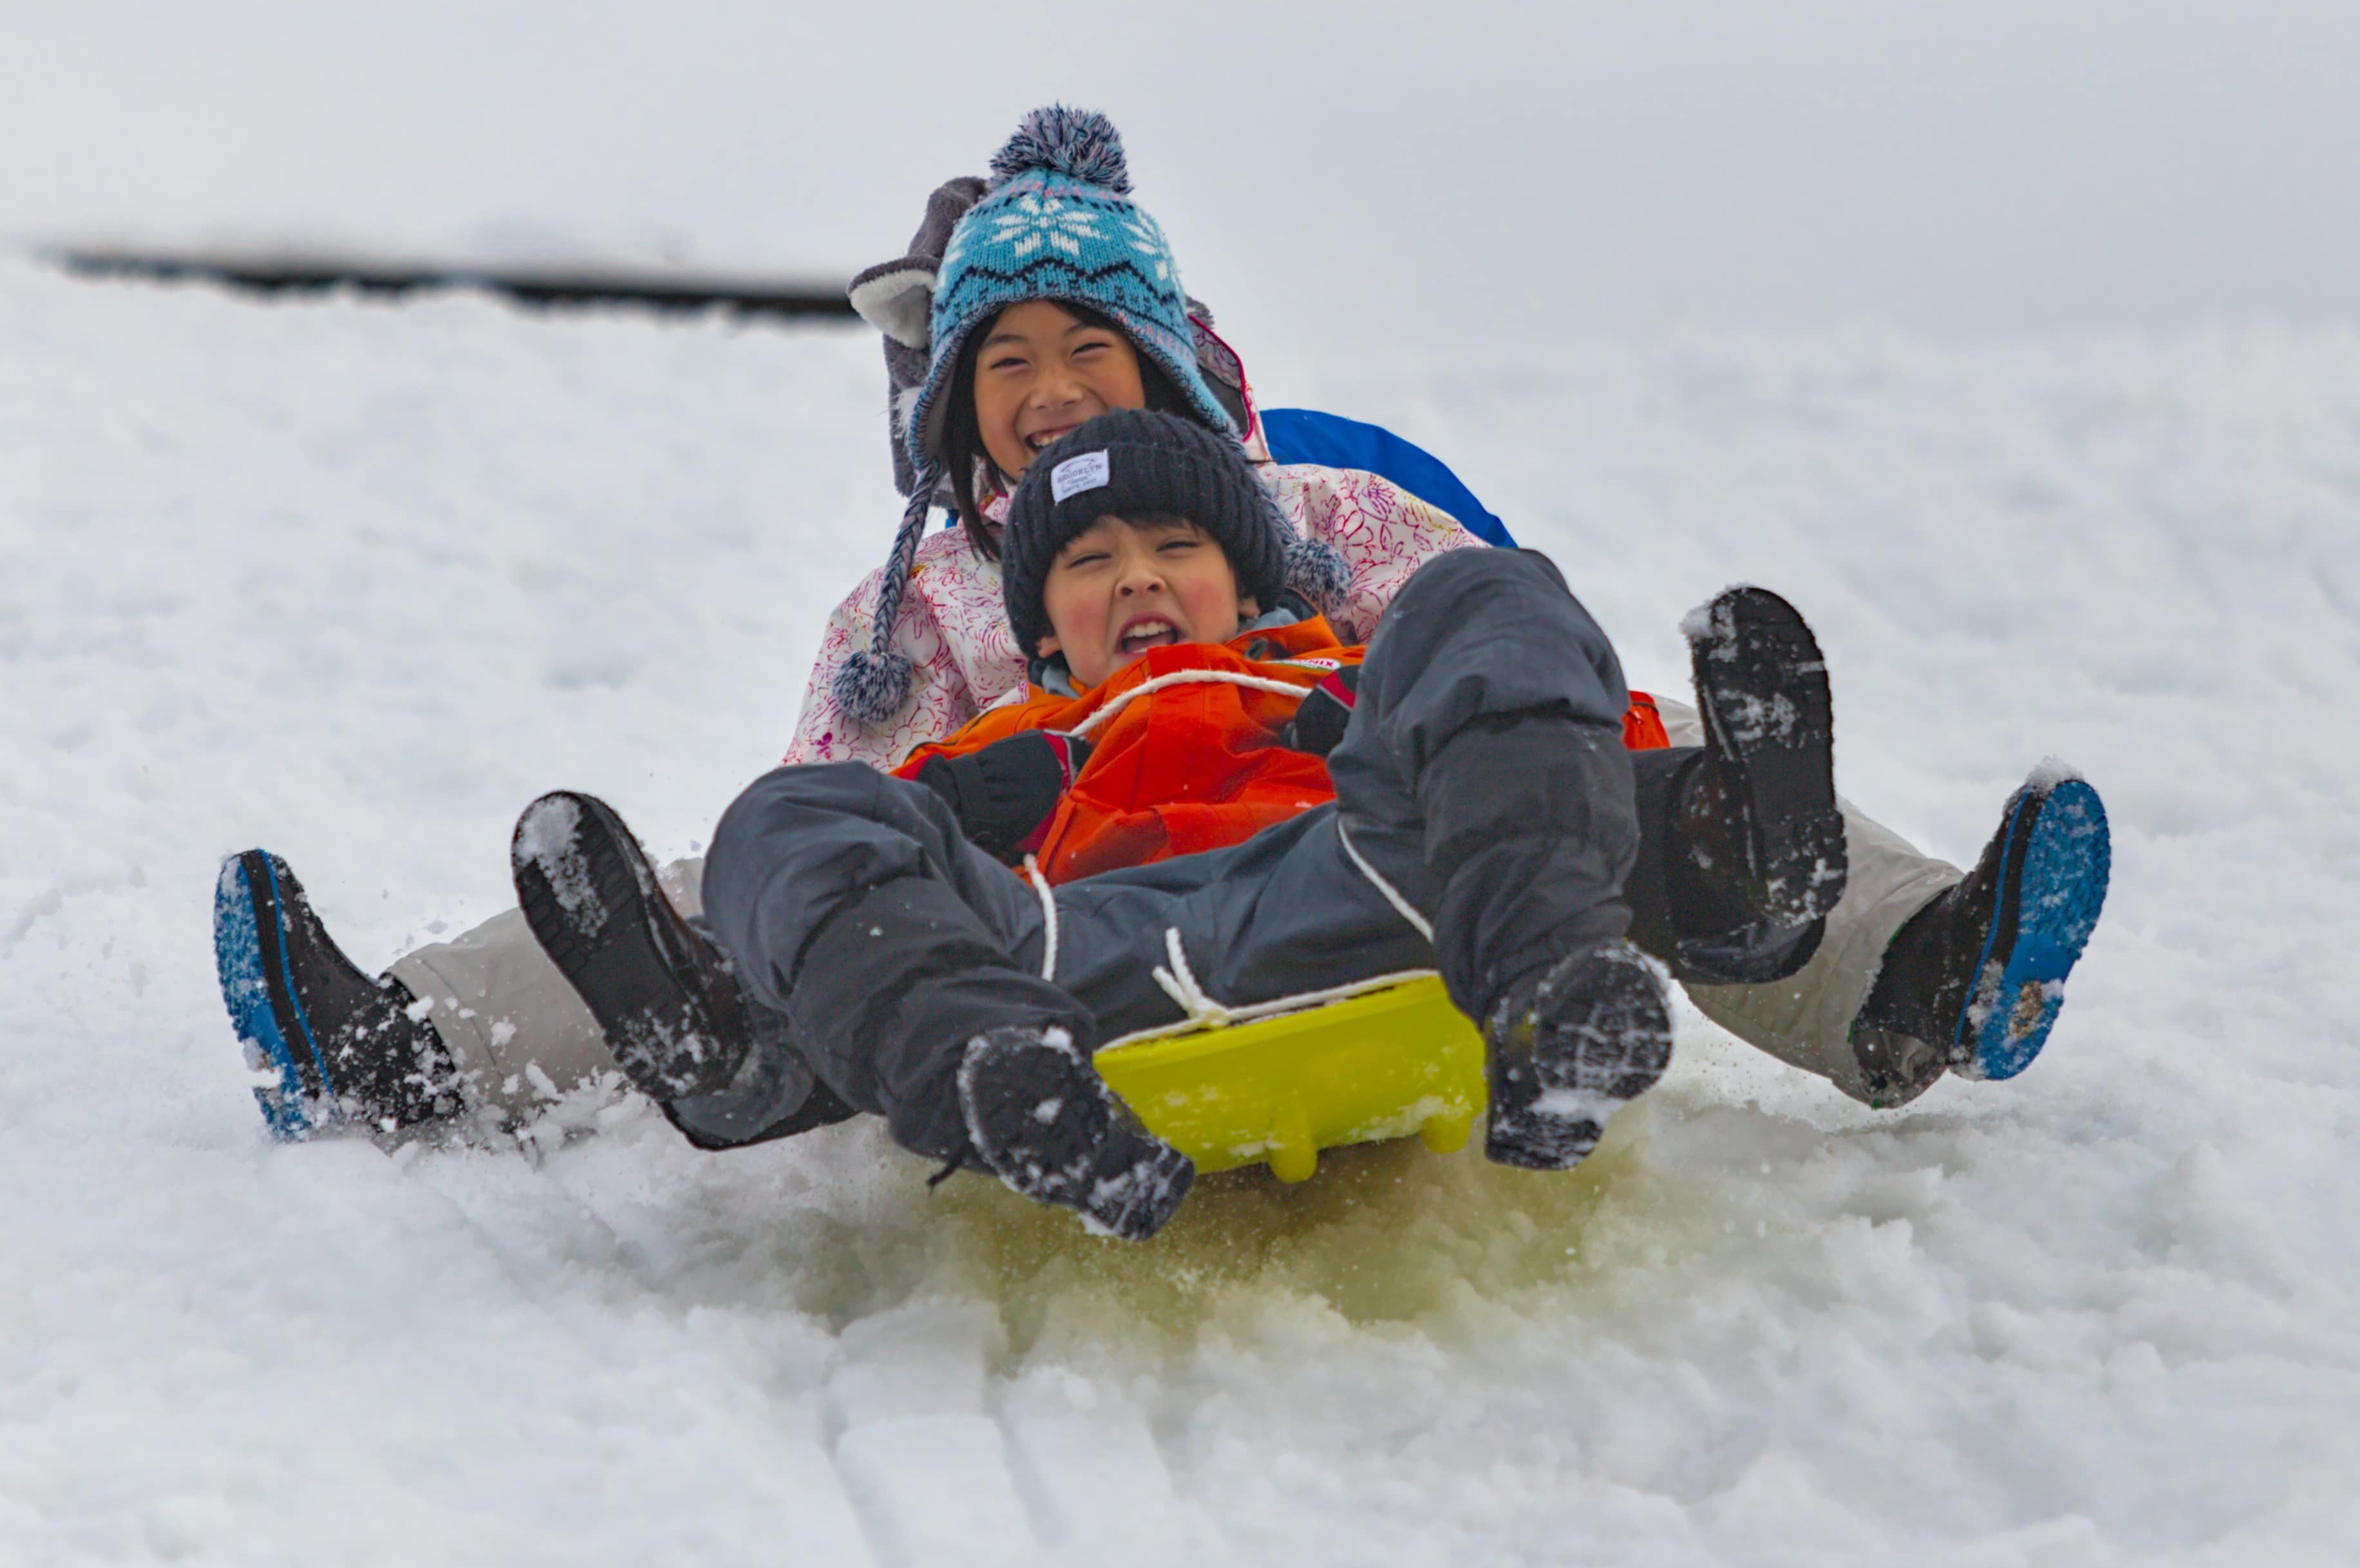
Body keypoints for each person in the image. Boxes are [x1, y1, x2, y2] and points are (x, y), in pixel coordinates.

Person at [213, 102, 2096, 1148]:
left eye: (1083, 351)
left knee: (1643, 770)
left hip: (1380, 858)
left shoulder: (1328, 508)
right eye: (998, 366)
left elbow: (1521, 693)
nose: (1043, 391)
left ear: (1169, 364)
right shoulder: (928, 605)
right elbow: (837, 816)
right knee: (742, 868)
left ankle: (1904, 967)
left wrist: (1617, 798)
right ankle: (421, 1055)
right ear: (947, 411)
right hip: (1071, 903)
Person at [509, 410, 2110, 1238]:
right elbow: (851, 860)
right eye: (1088, 564)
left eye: (1173, 545)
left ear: (1248, 574)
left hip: (1385, 891)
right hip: (1073, 970)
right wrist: (941, 811)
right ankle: (926, 1075)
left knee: (1496, 599)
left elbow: (1569, 734)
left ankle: (1594, 970)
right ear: (1042, 625)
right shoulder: (1001, 743)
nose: (1137, 574)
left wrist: (1663, 812)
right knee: (792, 817)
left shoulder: (1348, 668)